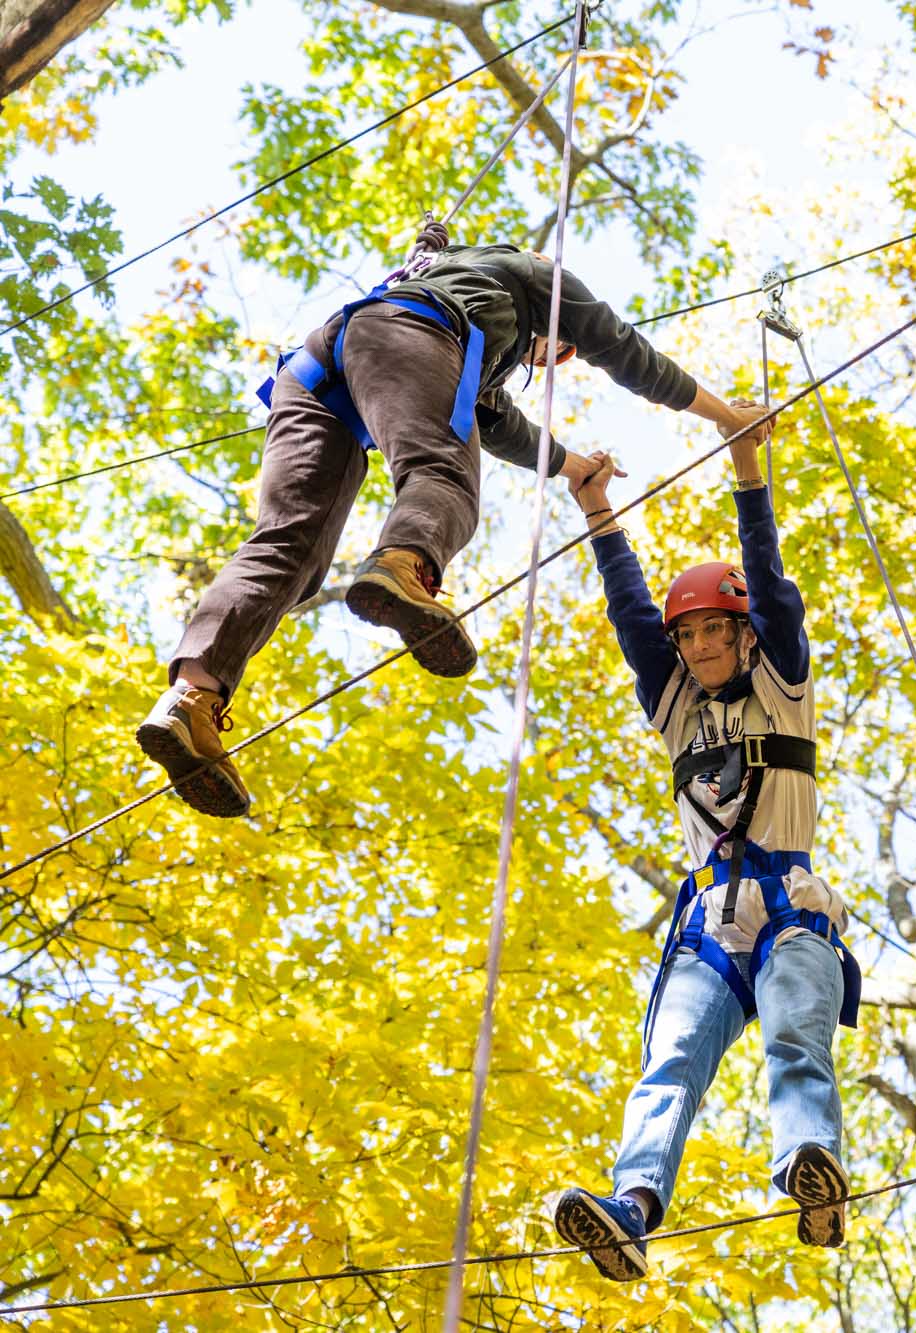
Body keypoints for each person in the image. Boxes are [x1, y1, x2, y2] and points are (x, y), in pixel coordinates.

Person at [136, 242, 769, 819]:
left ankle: (191, 699)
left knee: (287, 546)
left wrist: (578, 468)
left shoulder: (466, 335)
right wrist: (724, 417)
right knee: (443, 474)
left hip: (317, 371)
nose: (552, 361)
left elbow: (502, 428)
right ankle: (404, 566)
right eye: (561, 352)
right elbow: (629, 353)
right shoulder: (534, 279)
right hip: (405, 334)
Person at [548, 419, 862, 1282]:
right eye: (688, 639)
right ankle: (632, 1207)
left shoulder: (780, 682)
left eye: (714, 632)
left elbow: (769, 582)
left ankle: (812, 1168)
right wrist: (599, 513)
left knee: (797, 1030)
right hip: (709, 926)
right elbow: (631, 614)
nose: (698, 647)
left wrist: (746, 464)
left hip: (791, 910)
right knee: (671, 1060)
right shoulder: (677, 705)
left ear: (744, 633)